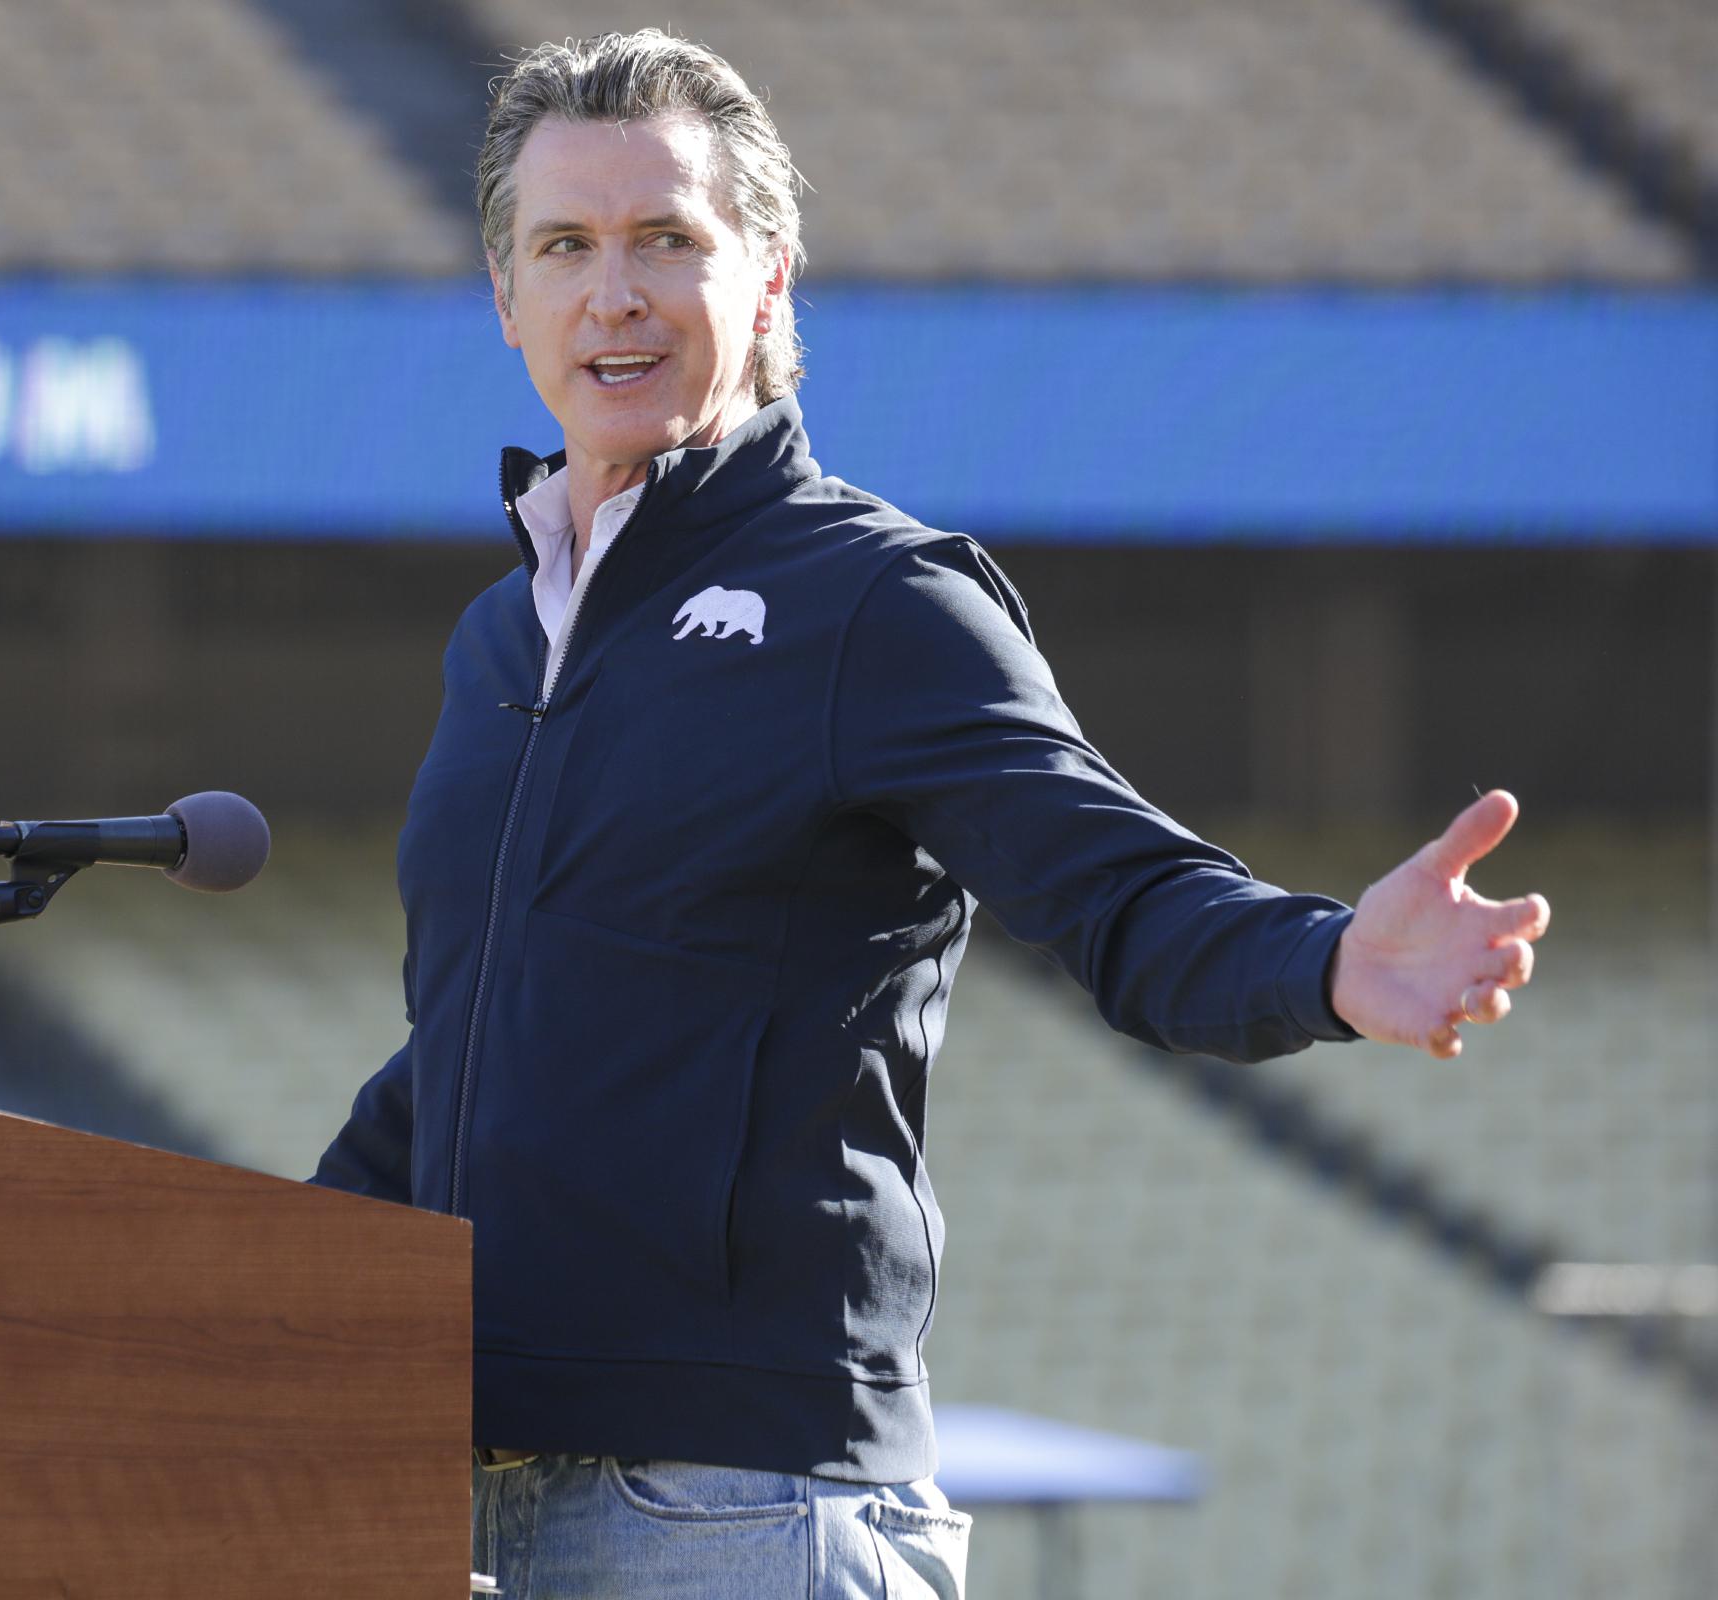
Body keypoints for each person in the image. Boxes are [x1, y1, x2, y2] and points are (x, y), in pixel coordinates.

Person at [311, 29, 1549, 1600]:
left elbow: (1122, 892)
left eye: (665, 241)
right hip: (456, 1500)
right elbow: (479, 1043)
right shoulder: (501, 638)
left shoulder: (877, 599)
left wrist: (1325, 965)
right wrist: (241, 1292)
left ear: (767, 278)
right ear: (507, 300)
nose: (610, 293)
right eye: (564, 247)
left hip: (741, 1514)